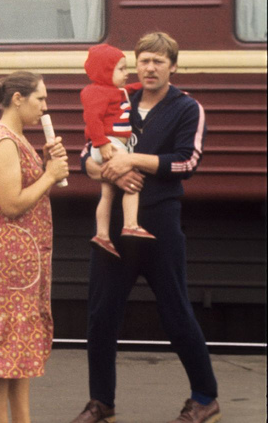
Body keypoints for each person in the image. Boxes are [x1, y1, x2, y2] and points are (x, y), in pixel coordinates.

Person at [71, 32, 219, 423]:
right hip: (114, 227)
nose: (149, 68)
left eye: (158, 61)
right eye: (144, 61)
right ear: (135, 64)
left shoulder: (187, 108)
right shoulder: (117, 96)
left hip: (160, 224)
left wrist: (132, 161)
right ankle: (101, 402)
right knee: (101, 314)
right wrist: (113, 173)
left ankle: (205, 398)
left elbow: (188, 161)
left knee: (175, 312)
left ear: (173, 65)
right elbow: (87, 153)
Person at [0, 71, 69, 423]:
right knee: (0, 345)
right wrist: (51, 175)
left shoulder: (19, 139)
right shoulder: (5, 141)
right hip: (7, 262)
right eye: (40, 99)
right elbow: (11, 203)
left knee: (17, 343)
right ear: (18, 99)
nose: (45, 107)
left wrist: (43, 162)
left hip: (21, 261)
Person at [80, 44, 151, 257]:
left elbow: (125, 92)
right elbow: (92, 119)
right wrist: (102, 144)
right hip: (110, 144)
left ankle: (102, 236)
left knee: (108, 193)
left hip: (110, 144)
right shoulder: (94, 92)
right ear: (104, 72)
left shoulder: (112, 90)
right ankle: (131, 224)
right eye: (120, 69)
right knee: (132, 181)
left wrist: (141, 85)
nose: (126, 73)